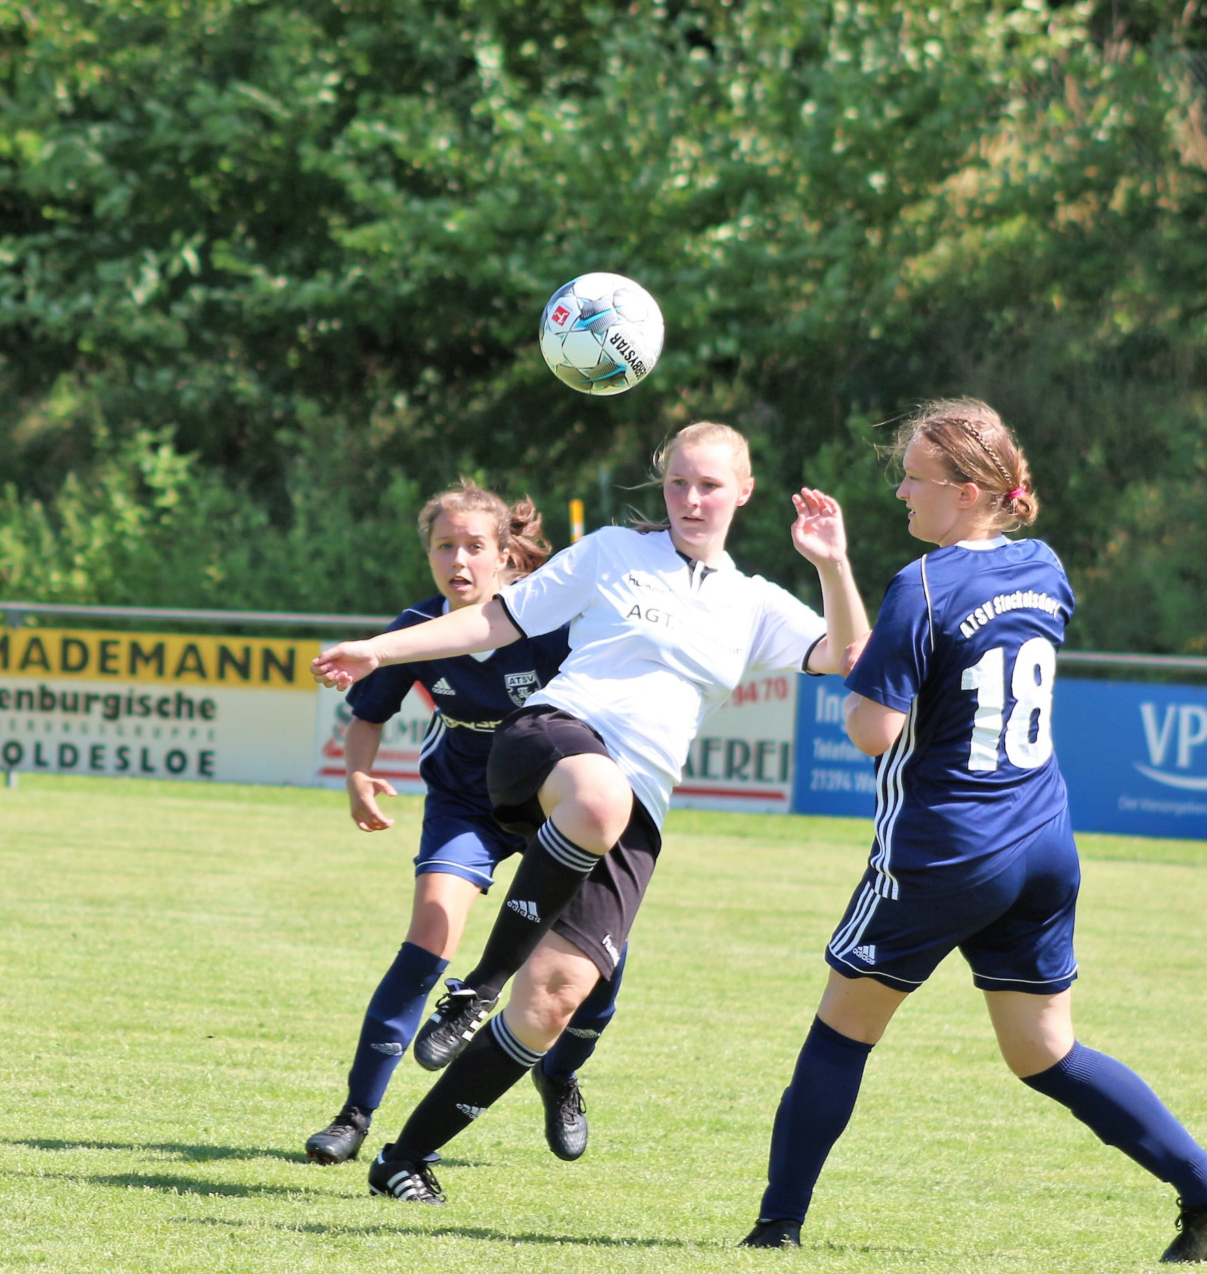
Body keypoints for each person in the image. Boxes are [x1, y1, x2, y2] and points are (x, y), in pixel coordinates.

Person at [739, 399, 1207, 1264]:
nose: (900, 489)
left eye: (915, 475)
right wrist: (836, 569)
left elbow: (874, 731)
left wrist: (860, 644)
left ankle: (775, 1226)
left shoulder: (923, 584)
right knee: (1044, 1050)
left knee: (841, 1031)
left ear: (972, 489)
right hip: (1042, 841)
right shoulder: (1043, 564)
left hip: (946, 847)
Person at [310, 422, 871, 1205]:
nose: (690, 499)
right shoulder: (613, 550)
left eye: (709, 484)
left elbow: (852, 657)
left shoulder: (754, 603)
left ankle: (404, 1156)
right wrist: (382, 648)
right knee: (598, 796)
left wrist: (833, 565)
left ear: (744, 491)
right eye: (678, 482)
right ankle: (476, 988)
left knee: (553, 1000)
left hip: (637, 805)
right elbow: (495, 620)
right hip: (551, 739)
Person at [303, 482, 626, 1168]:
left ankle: (560, 1072)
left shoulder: (551, 622)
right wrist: (359, 776)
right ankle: (355, 1113)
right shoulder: (418, 627)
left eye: (475, 545)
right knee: (430, 930)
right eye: (444, 545)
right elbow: (367, 717)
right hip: (466, 800)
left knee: (597, 959)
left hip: (551, 796)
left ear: (506, 555)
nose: (459, 559)